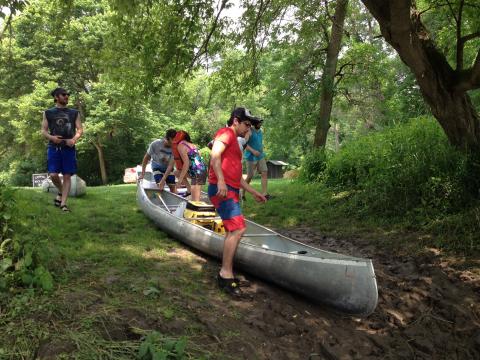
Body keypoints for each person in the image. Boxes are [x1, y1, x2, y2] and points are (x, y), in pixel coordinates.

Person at [209, 107, 267, 296]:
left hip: (231, 188)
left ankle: (226, 270)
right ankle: (225, 274)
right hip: (222, 190)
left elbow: (238, 177)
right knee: (238, 228)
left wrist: (254, 192)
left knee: (231, 230)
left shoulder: (236, 142)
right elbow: (214, 155)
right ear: (236, 121)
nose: (248, 129)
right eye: (246, 124)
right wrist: (221, 181)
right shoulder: (226, 133)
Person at [41, 87, 83, 212]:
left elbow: (80, 130)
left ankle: (63, 204)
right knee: (53, 174)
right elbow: (43, 130)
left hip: (68, 148)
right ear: (56, 97)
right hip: (53, 147)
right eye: (63, 94)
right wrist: (52, 137)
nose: (66, 96)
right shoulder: (48, 112)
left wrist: (74, 139)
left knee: (67, 176)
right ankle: (61, 191)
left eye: (67, 94)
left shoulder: (74, 113)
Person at [242, 117, 272, 200]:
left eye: (261, 123)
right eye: (259, 123)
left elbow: (259, 142)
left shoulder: (260, 131)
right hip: (250, 157)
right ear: (254, 123)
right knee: (250, 176)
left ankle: (265, 194)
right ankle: (242, 193)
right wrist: (253, 151)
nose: (260, 124)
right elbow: (244, 144)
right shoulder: (249, 131)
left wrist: (261, 148)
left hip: (260, 156)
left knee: (264, 172)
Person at [173, 132, 207, 202]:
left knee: (195, 201)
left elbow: (186, 163)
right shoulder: (193, 145)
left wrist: (179, 181)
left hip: (197, 172)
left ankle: (196, 211)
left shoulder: (180, 145)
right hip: (201, 170)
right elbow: (200, 158)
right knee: (176, 172)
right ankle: (189, 190)